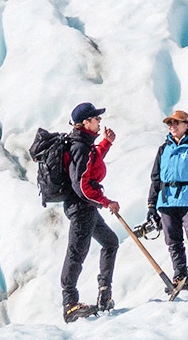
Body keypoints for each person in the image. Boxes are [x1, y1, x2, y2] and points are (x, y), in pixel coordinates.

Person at [141, 110, 188, 293]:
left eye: (176, 123)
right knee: (173, 241)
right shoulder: (164, 149)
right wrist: (152, 206)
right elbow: (156, 179)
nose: (172, 126)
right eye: (170, 123)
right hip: (167, 200)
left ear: (186, 125)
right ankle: (180, 276)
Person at [61, 102, 120, 322]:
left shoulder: (84, 143)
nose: (99, 121)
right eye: (96, 119)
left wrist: (106, 143)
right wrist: (106, 202)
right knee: (76, 253)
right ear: (85, 122)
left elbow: (91, 165)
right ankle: (70, 305)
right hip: (81, 208)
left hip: (86, 208)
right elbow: (82, 186)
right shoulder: (80, 146)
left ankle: (104, 294)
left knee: (110, 242)